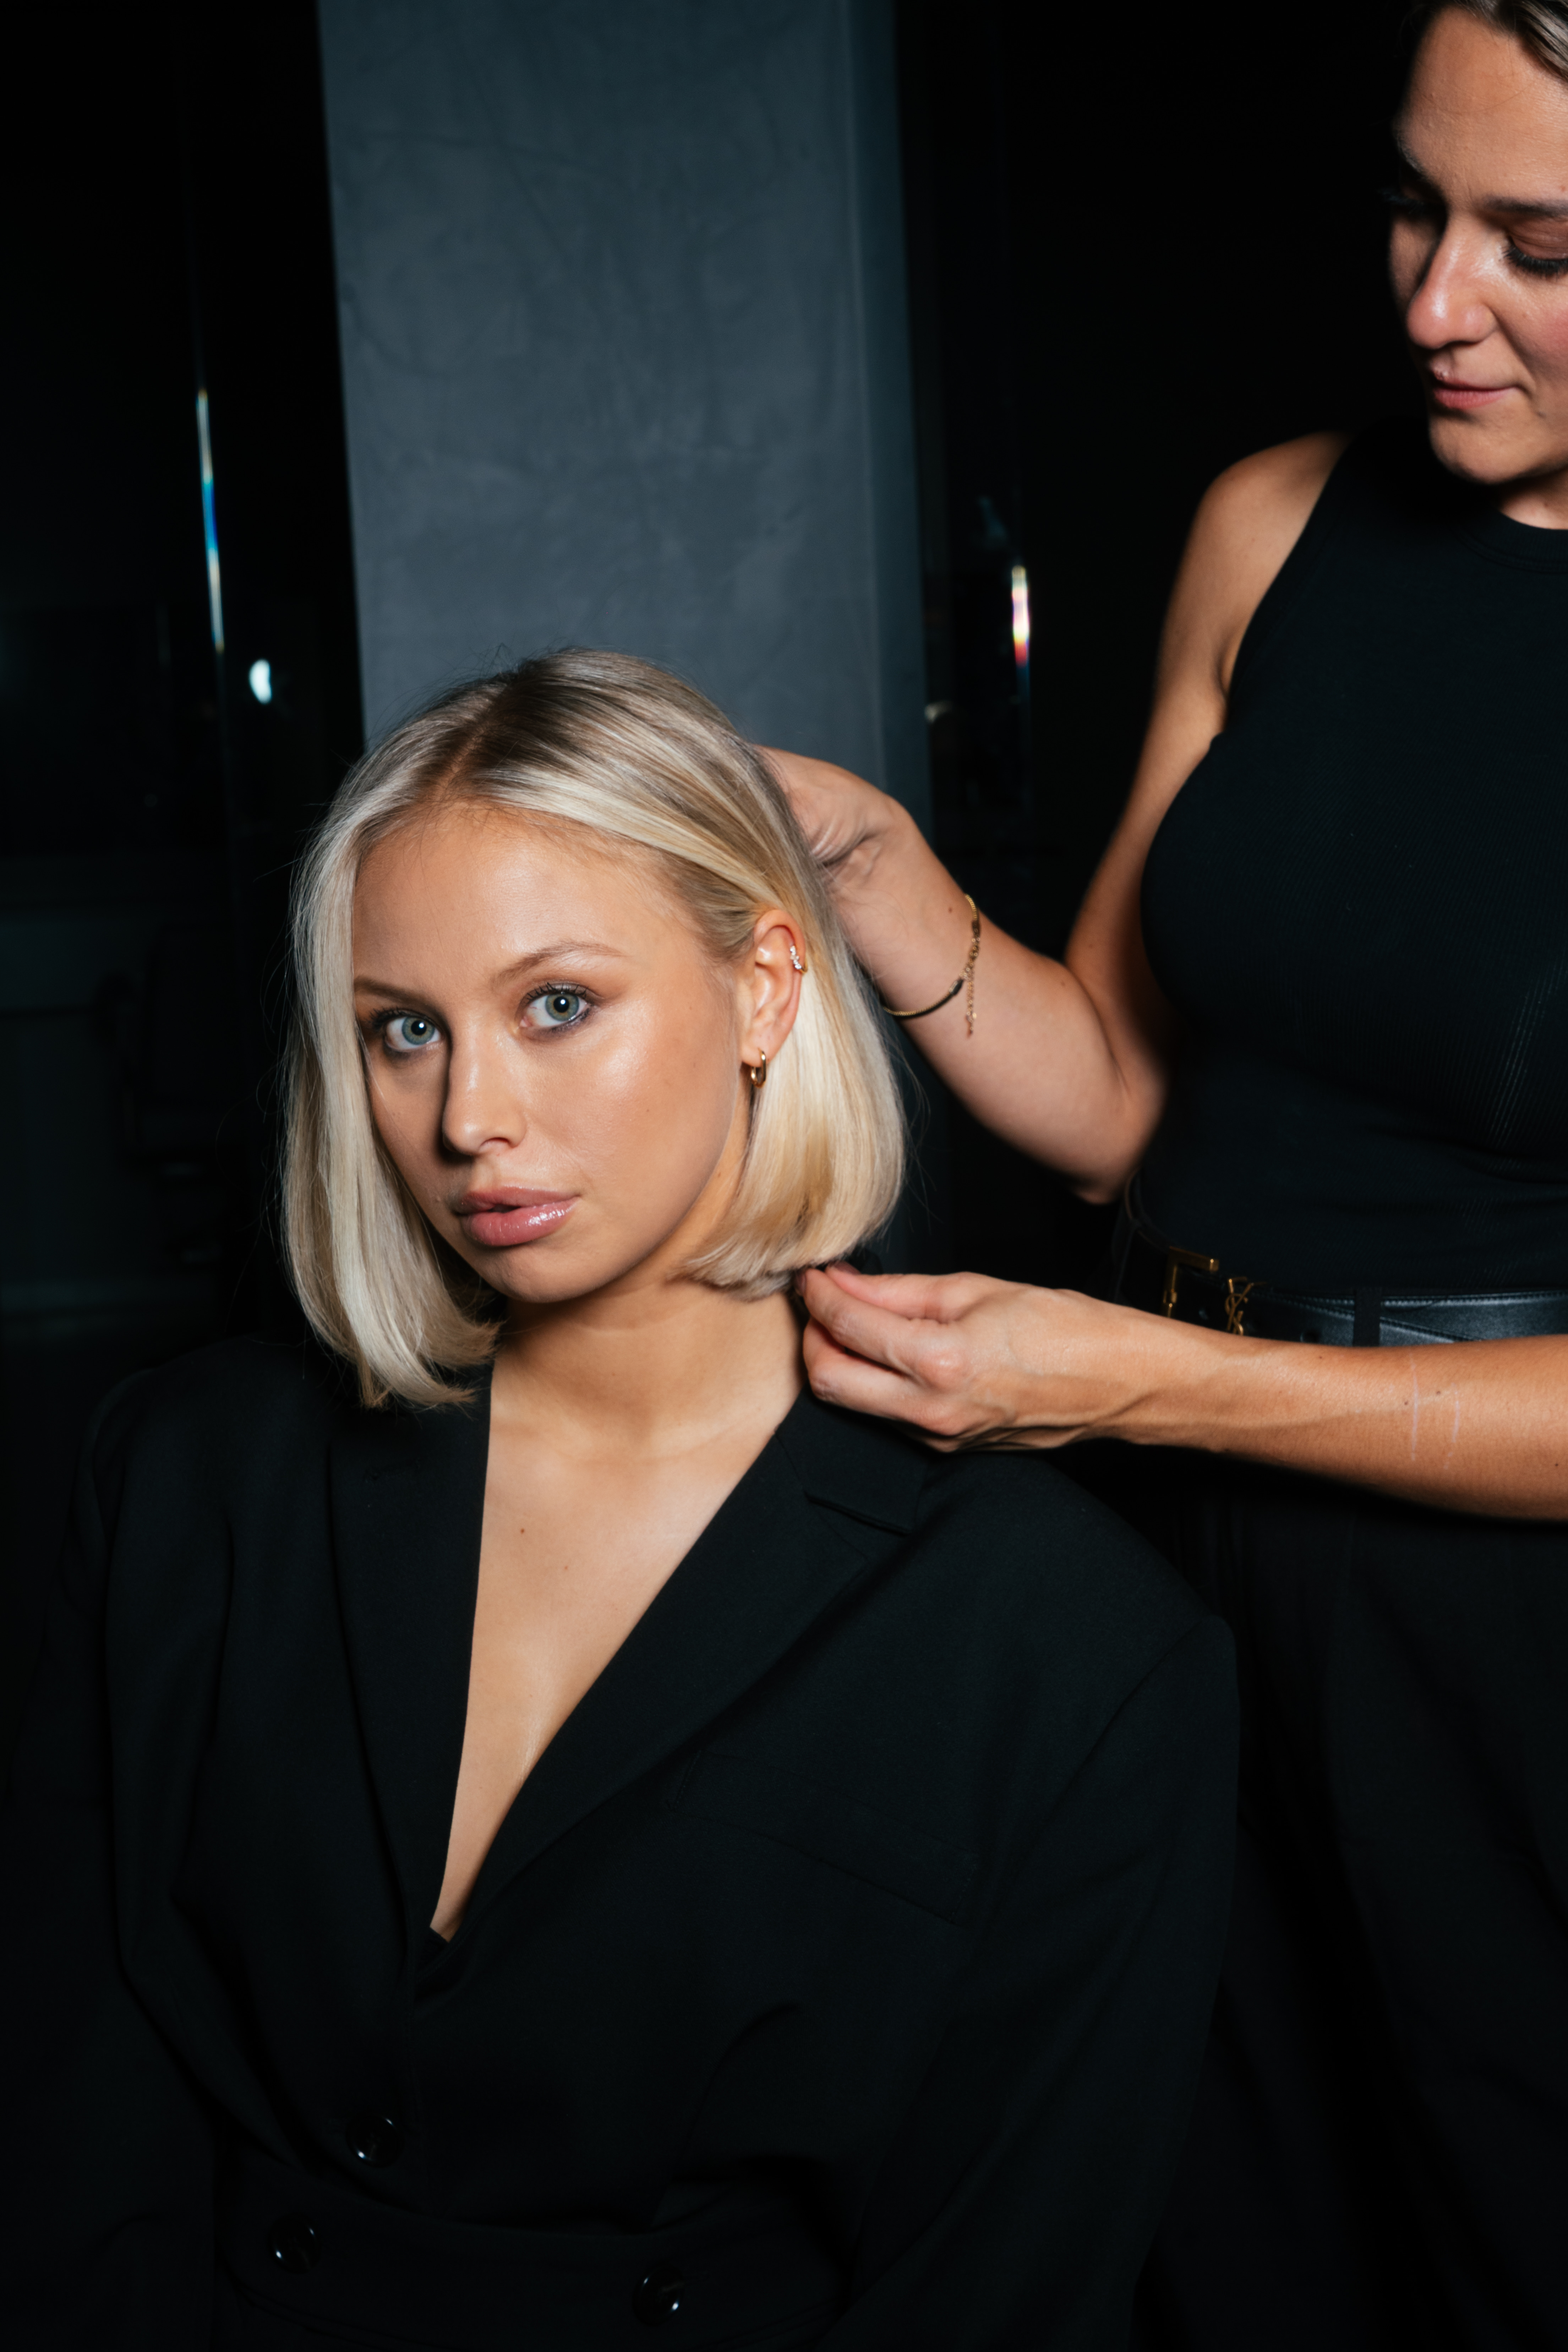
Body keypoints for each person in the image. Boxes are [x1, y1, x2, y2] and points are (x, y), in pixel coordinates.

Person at [0, 650, 1234, 2351]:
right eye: (405, 1030)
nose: (469, 1118)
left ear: (765, 990)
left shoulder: (1068, 1644)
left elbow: (1002, 2282)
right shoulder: (190, 1477)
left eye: (557, 1006)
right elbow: (71, 2106)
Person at [765, 5, 1568, 2345]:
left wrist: (1132, 1382)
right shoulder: (1279, 519)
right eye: (1412, 206)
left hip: (1501, 1625)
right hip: (1159, 1542)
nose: (1432, 298)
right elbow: (1131, 1092)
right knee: (1201, 2225)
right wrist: (877, 869)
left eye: (1536, 245)